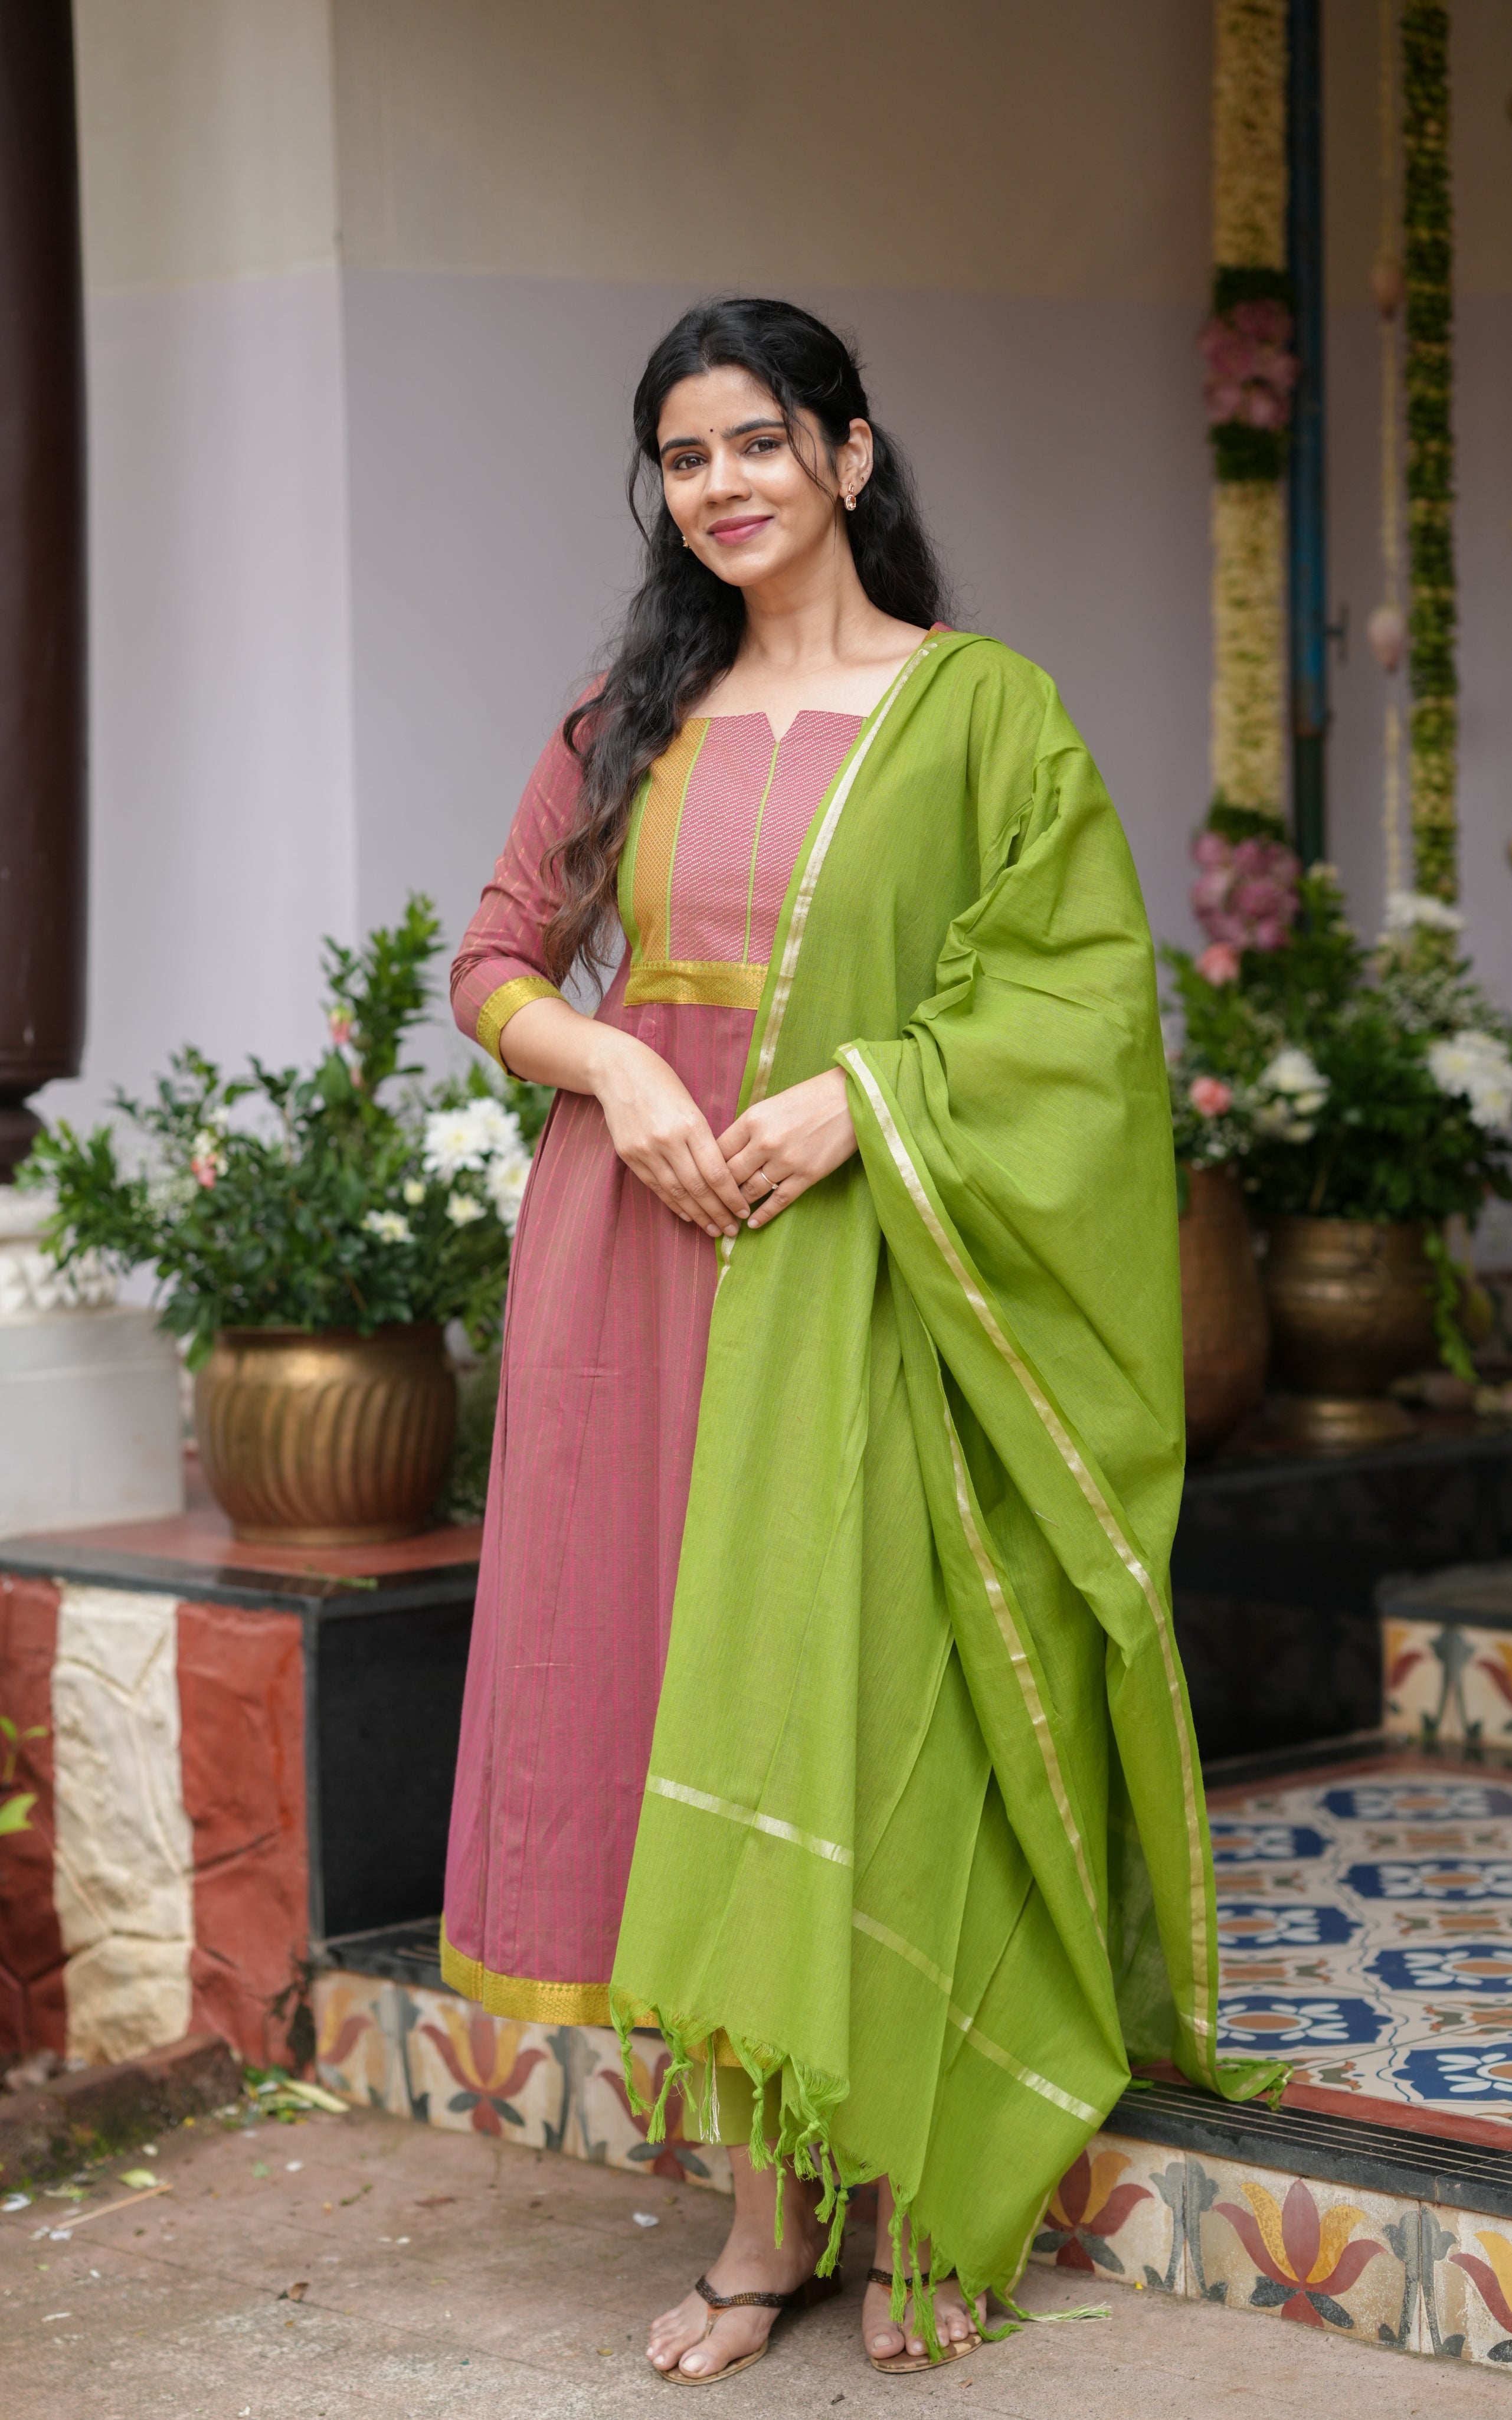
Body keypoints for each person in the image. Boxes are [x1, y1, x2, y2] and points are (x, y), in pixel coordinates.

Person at [443, 297, 1282, 2385]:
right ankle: (756, 2221)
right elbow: (491, 959)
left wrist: (867, 1093)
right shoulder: (620, 713)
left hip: (881, 1254)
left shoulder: (978, 710)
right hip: (636, 1255)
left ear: (846, 451)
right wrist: (621, 1079)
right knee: (686, 1706)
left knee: (870, 1685)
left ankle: (914, 2165)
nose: (719, 485)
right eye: (682, 455)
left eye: (755, 442)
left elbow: (1079, 1001)